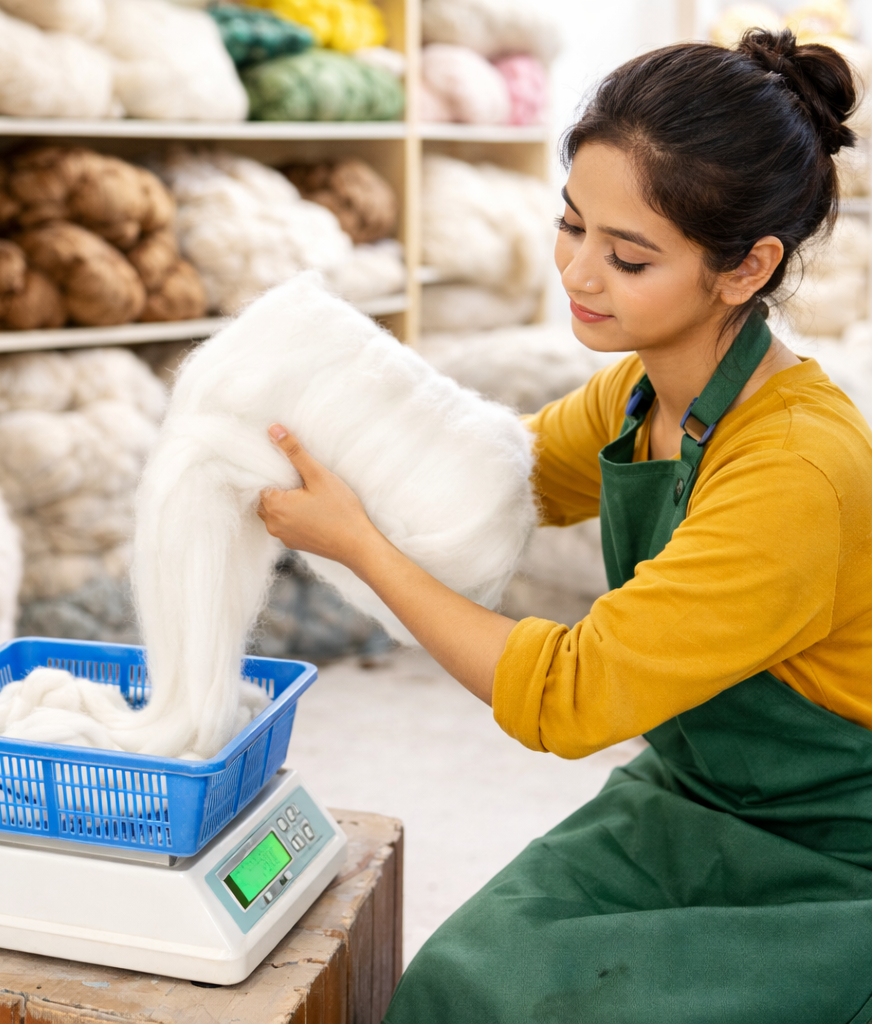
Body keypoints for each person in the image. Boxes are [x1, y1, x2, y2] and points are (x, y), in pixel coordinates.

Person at [258, 29, 872, 1024]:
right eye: (571, 224)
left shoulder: (796, 468)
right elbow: (503, 476)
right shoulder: (642, 391)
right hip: (688, 794)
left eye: (627, 256)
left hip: (838, 852)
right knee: (454, 983)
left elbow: (570, 696)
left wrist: (361, 548)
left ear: (746, 267)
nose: (579, 274)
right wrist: (326, 420)